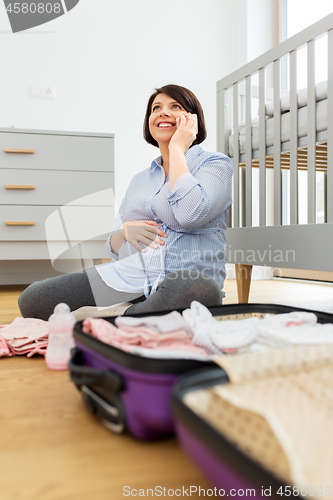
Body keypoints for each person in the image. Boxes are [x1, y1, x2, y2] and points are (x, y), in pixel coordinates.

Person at [19, 84, 233, 321]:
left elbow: (190, 213)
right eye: (156, 108)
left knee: (198, 292)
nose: (163, 112)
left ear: (192, 119)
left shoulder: (215, 165)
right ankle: (133, 316)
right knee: (33, 300)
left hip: (183, 280)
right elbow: (113, 243)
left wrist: (177, 150)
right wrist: (124, 233)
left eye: (175, 106)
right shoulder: (140, 179)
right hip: (132, 276)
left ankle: (115, 314)